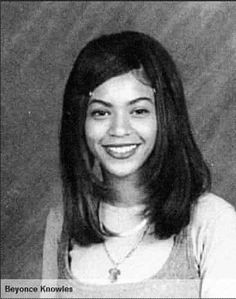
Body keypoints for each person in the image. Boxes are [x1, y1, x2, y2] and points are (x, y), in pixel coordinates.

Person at [42, 31, 236, 298]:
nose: (119, 129)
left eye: (139, 111)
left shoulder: (214, 222)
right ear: (80, 122)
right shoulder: (62, 222)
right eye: (101, 112)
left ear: (165, 118)